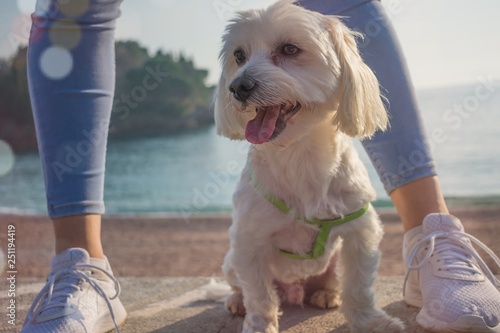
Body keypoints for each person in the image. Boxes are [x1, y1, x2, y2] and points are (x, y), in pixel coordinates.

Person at [22, 0, 500, 333]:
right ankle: (80, 265)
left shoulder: (347, 177)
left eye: (288, 51)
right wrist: (259, 314)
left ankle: (431, 236)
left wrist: (360, 307)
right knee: (75, 5)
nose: (244, 82)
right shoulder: (256, 183)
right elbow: (245, 250)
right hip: (261, 263)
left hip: (325, 247)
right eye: (239, 59)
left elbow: (361, 236)